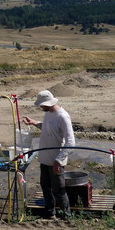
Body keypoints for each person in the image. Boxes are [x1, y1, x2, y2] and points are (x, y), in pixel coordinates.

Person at [22, 90, 75, 219]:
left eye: (42, 105)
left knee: (59, 190)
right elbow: (47, 128)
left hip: (55, 161)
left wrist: (58, 160)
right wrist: (34, 123)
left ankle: (66, 217)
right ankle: (50, 213)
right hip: (44, 159)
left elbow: (71, 141)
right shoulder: (48, 113)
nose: (41, 107)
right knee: (46, 187)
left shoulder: (62, 116)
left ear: (48, 103)